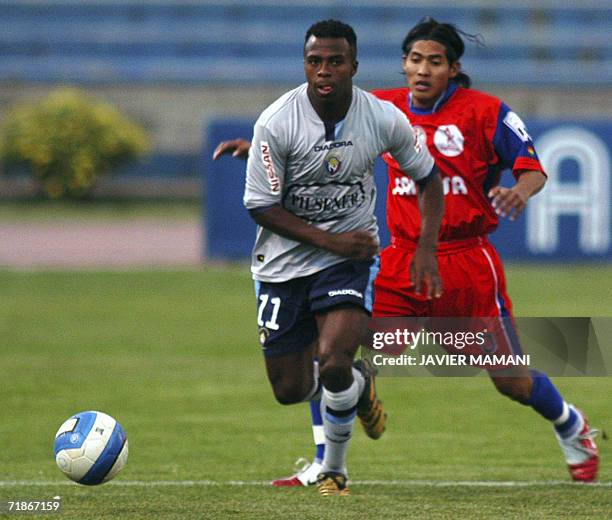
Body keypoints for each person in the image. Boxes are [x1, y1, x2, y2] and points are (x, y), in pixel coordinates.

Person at [213, 17, 599, 485]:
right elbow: (318, 137)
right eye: (415, 60)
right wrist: (260, 149)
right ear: (402, 65)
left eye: (434, 62)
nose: (422, 70)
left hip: (466, 264)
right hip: (402, 257)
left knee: (511, 380)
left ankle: (571, 425)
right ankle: (328, 462)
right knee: (336, 352)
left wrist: (520, 190)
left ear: (453, 69)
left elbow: (532, 168)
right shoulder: (381, 105)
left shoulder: (486, 112)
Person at [237, 19, 445, 496]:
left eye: (334, 61)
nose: (324, 71)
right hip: (284, 264)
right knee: (289, 389)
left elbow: (429, 179)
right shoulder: (275, 121)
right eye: (314, 62)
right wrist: (331, 241)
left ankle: (335, 469)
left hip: (348, 261)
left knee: (332, 361)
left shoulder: (382, 117)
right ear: (304, 65)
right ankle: (359, 385)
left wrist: (426, 248)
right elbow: (260, 206)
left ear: (354, 64)